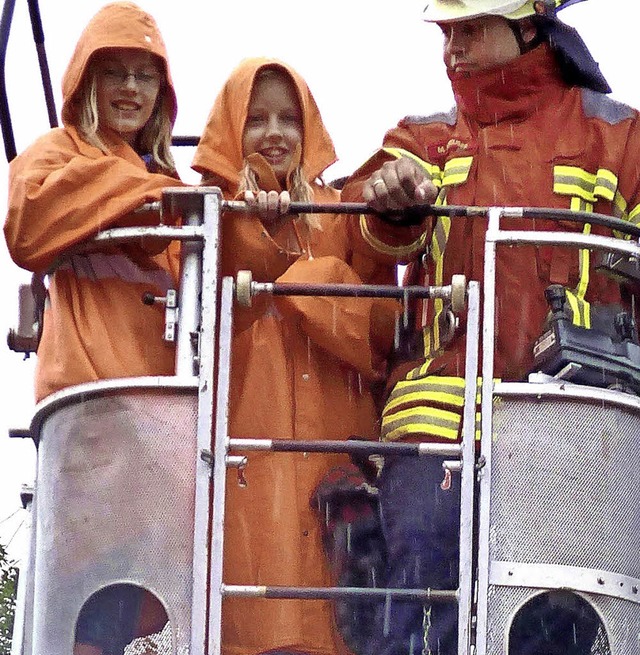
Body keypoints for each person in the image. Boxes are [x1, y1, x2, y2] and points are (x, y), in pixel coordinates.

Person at [341, 0, 640, 653]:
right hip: (433, 426)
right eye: (447, 32)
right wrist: (392, 205)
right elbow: (350, 243)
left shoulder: (618, 136)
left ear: (529, 26)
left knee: (555, 617)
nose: (452, 48)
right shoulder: (418, 140)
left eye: (469, 29)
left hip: (571, 428)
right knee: (418, 607)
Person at [191, 57, 423, 655]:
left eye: (289, 119)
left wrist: (304, 279)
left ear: (310, 129)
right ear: (229, 131)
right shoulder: (204, 217)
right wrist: (291, 263)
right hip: (242, 458)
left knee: (339, 629)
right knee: (245, 625)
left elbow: (385, 328)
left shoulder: (345, 214)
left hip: (335, 464)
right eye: (256, 118)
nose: (275, 133)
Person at [4, 2, 185, 653]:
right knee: (86, 600)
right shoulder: (59, 154)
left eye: (145, 76)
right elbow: (26, 224)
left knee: (133, 600)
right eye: (116, 73)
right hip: (91, 415)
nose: (131, 90)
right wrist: (135, 188)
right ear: (85, 82)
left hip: (158, 427)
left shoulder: (170, 185)